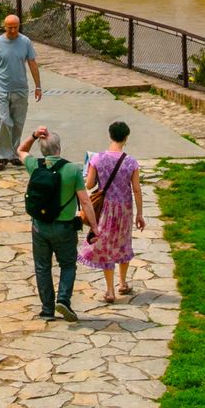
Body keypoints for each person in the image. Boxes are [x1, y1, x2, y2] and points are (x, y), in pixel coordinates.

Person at [80, 119, 144, 305]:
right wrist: (140, 214)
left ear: (110, 135)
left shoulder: (97, 159)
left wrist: (88, 172)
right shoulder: (131, 162)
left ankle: (109, 291)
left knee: (107, 246)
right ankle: (123, 283)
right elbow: (137, 189)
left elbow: (90, 184)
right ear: (126, 138)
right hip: (124, 209)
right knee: (124, 243)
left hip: (106, 209)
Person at [23, 127, 84, 321]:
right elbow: (86, 201)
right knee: (68, 265)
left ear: (42, 150)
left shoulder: (35, 165)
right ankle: (63, 300)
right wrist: (95, 226)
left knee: (42, 267)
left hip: (39, 226)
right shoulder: (73, 169)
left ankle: (47, 309)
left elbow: (20, 150)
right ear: (59, 147)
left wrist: (34, 136)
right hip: (64, 226)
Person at [0, 11, 42, 167]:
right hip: (1, 88)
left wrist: (38, 86)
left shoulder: (25, 42)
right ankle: (3, 155)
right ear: (4, 27)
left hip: (20, 88)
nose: (13, 31)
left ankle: (15, 154)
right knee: (3, 121)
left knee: (18, 122)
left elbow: (32, 63)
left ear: (19, 26)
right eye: (9, 27)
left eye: (15, 27)